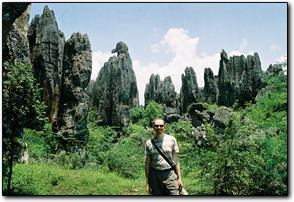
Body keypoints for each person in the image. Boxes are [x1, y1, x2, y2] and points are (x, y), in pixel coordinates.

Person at [145, 118, 183, 195]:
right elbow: (147, 164)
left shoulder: (172, 139)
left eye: (161, 125)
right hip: (155, 176)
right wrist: (148, 183)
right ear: (153, 127)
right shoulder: (149, 143)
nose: (159, 128)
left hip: (170, 175)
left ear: (164, 127)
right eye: (156, 126)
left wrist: (179, 179)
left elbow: (176, 161)